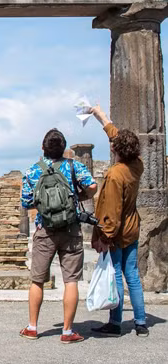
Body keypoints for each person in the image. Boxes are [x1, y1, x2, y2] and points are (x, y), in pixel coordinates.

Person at [19, 128, 98, 343]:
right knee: (71, 280)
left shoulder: (33, 171)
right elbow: (92, 186)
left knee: (37, 280)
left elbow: (26, 202)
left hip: (45, 229)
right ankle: (67, 331)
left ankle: (32, 327)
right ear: (64, 148)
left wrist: (46, 204)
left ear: (43, 148)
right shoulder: (74, 166)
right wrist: (77, 197)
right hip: (71, 229)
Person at [88, 106, 149, 337]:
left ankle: (115, 323)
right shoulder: (137, 165)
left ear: (116, 149)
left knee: (115, 275)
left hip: (117, 232)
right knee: (132, 275)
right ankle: (141, 323)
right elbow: (118, 137)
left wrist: (106, 236)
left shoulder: (115, 175)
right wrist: (100, 116)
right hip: (133, 227)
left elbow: (112, 211)